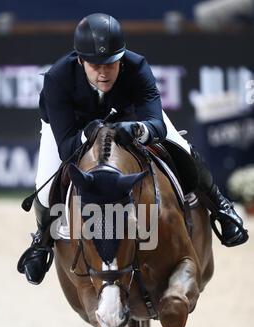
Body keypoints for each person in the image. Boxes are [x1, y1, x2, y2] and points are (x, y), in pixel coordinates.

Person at [17, 12, 248, 285]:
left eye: (111, 63)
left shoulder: (137, 66)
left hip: (128, 117)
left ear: (121, 58)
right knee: (45, 185)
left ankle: (221, 206)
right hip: (73, 127)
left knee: (181, 146)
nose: (103, 72)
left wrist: (140, 130)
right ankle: (41, 240)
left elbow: (157, 124)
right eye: (94, 64)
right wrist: (87, 134)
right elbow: (67, 145)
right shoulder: (58, 78)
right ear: (80, 60)